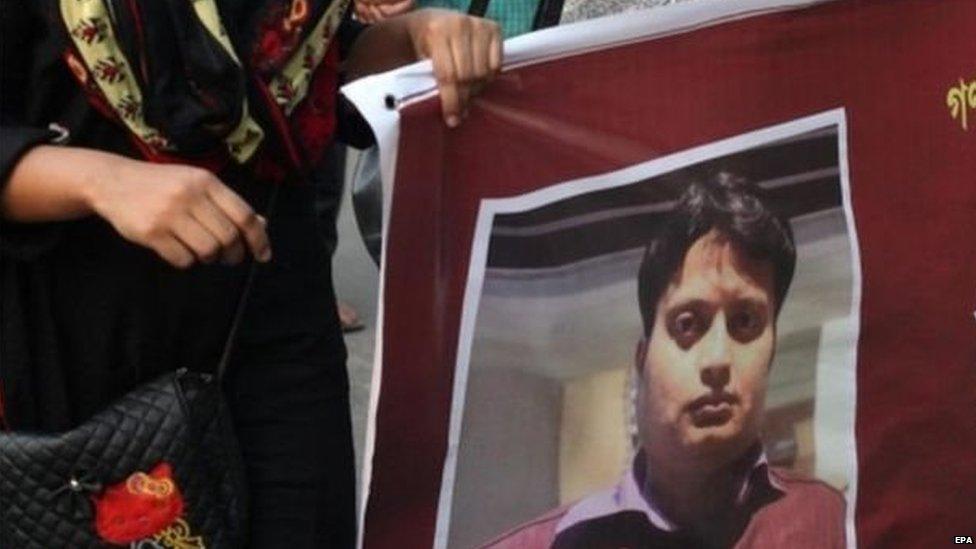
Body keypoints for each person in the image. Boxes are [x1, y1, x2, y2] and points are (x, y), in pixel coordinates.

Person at [0, 1, 499, 547]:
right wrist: (102, 182)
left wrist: (409, 39)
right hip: (84, 340)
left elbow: (299, 74)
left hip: (271, 315)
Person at [482, 173, 846, 549]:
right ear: (642, 358)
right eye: (688, 323)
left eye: (745, 322)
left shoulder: (837, 528)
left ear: (771, 351)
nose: (718, 359)